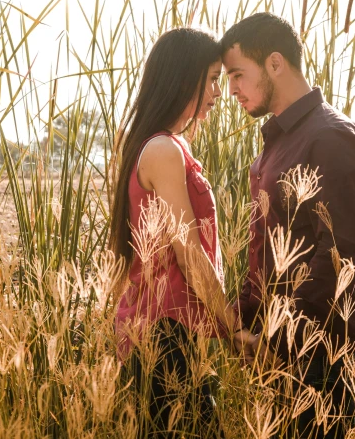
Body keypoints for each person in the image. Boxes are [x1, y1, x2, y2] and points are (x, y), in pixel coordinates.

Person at [221, 12, 355, 438]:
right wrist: (235, 320)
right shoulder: (280, 141)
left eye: (237, 74)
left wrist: (275, 335)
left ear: (274, 63)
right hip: (280, 352)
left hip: (320, 356)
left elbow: (341, 256)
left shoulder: (330, 137)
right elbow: (267, 253)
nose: (230, 89)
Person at [111, 27, 253, 438]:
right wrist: (232, 329)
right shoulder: (163, 150)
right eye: (210, 80)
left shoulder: (172, 146)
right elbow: (189, 251)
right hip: (162, 339)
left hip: (171, 334)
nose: (217, 92)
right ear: (181, 78)